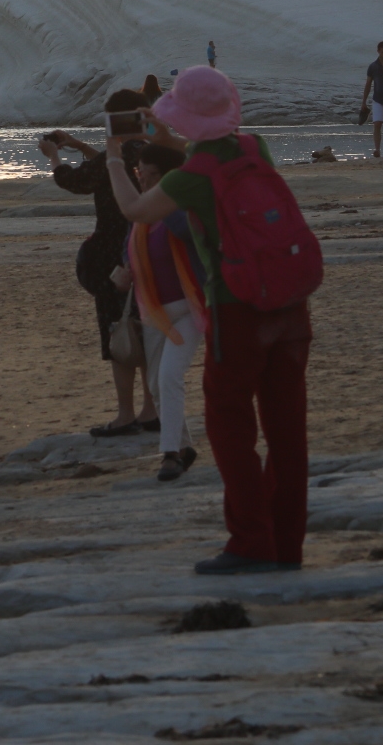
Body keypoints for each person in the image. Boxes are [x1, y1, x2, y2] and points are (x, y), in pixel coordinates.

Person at [103, 66, 314, 574]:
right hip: (290, 306)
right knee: (287, 431)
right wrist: (167, 133)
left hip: (237, 310)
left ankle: (249, 543)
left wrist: (113, 157)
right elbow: (209, 141)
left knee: (231, 428)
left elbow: (135, 209)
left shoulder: (190, 179)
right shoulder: (253, 148)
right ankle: (286, 546)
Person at [40, 87, 160, 437]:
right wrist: (77, 146)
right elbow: (107, 166)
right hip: (149, 252)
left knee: (118, 331)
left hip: (114, 256)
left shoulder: (117, 155)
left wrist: (53, 157)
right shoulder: (150, 155)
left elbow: (75, 181)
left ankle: (125, 415)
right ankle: (151, 411)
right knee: (146, 329)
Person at [109, 143, 203, 481]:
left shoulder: (180, 210)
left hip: (191, 310)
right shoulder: (139, 219)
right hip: (154, 313)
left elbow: (188, 234)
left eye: (154, 177)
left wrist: (165, 203)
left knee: (168, 378)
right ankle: (184, 446)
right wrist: (121, 274)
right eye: (141, 175)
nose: (146, 183)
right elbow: (129, 257)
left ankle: (170, 455)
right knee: (156, 383)